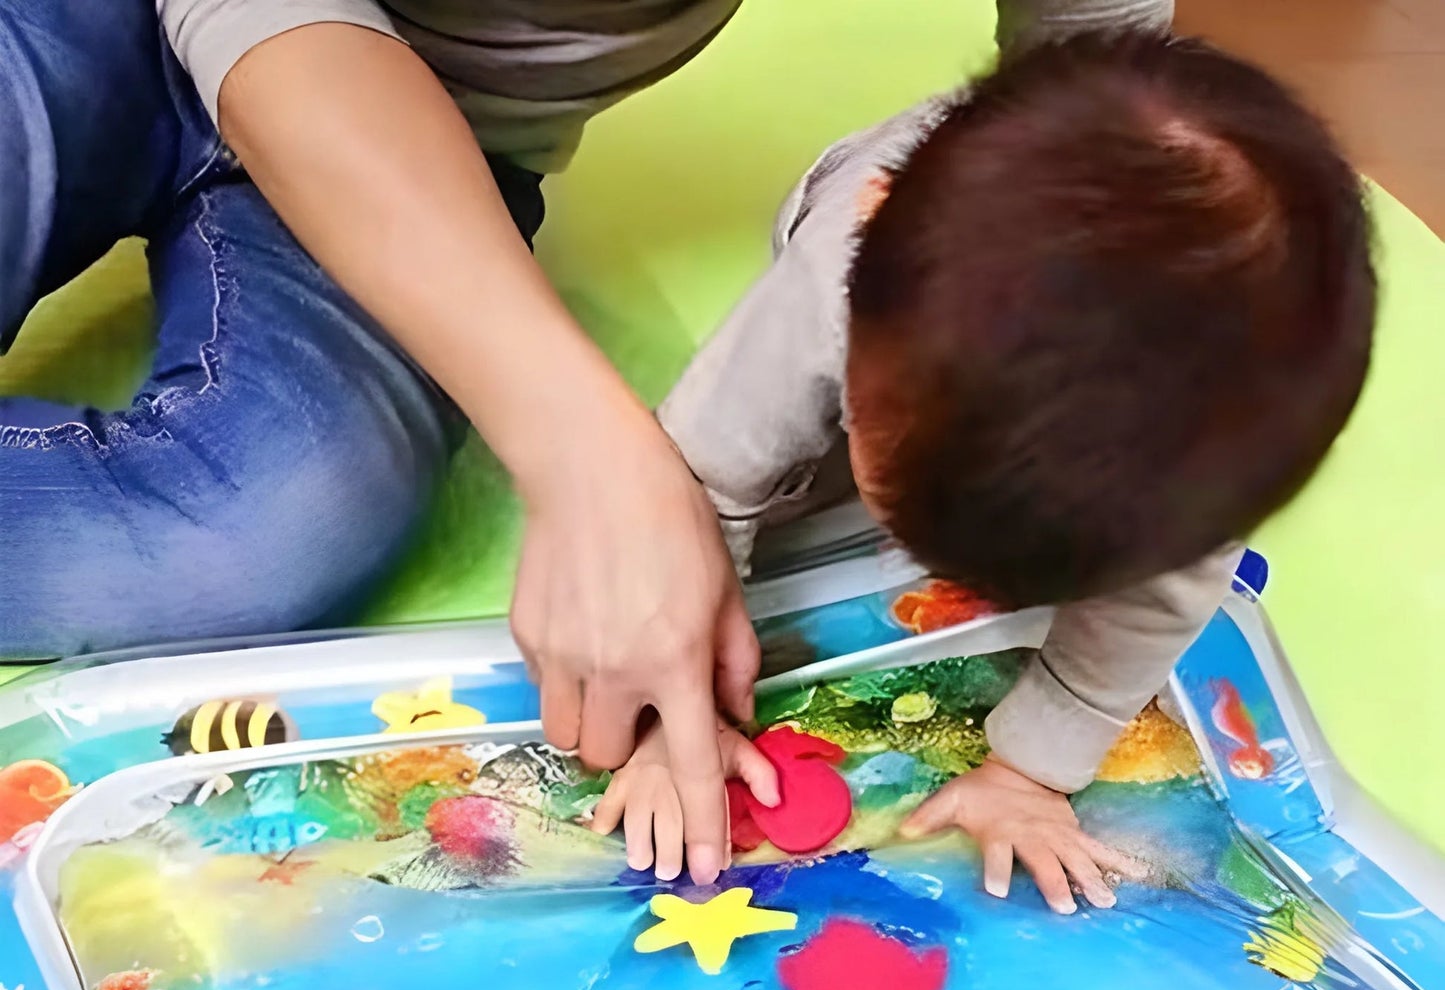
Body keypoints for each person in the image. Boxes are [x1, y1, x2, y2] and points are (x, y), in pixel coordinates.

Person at [0, 0, 1173, 891]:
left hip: (432, 139)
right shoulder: (837, 282)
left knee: (254, 532)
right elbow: (719, 465)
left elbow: (1102, 86)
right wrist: (602, 475)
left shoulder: (1168, 381)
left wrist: (1032, 764)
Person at [593, 32, 1375, 910]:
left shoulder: (1221, 434)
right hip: (852, 232)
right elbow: (694, 484)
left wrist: (1031, 769)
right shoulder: (838, 272)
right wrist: (676, 716)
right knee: (746, 470)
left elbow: (1159, 598)